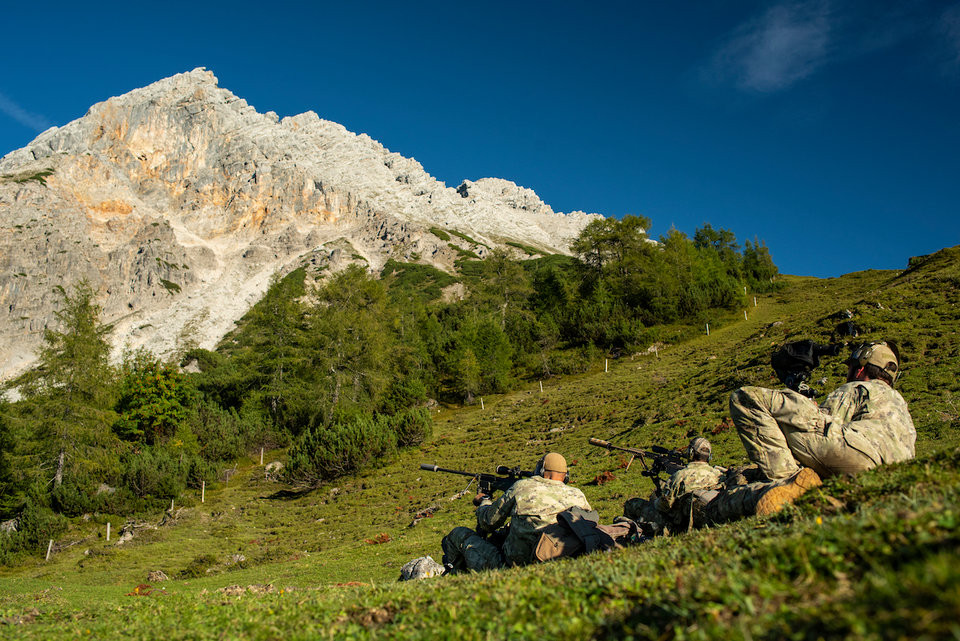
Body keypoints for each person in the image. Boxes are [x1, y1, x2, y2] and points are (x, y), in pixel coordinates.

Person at [731, 340, 916, 484]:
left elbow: (826, 421)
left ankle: (787, 482)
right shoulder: (900, 405)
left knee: (745, 397)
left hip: (860, 456)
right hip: (896, 472)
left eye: (850, 367)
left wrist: (801, 402)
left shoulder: (858, 387)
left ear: (860, 367)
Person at [440, 452, 591, 572]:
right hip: (562, 558)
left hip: (513, 567)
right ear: (566, 476)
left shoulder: (522, 486)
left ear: (541, 470)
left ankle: (457, 581)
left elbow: (488, 522)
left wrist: (484, 501)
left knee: (458, 534)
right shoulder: (578, 495)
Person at [623, 437, 725, 534]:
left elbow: (664, 506)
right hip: (708, 517)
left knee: (632, 503)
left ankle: (627, 539)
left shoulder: (680, 476)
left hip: (678, 523)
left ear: (690, 453)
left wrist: (656, 497)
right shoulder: (718, 474)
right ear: (709, 456)